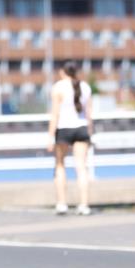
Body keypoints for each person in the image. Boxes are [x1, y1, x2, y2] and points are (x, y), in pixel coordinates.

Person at [47, 62, 93, 215]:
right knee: (81, 167)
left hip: (63, 129)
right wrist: (90, 132)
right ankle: (84, 205)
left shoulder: (58, 87)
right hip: (81, 128)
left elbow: (55, 114)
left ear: (62, 72)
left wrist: (50, 136)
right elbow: (89, 114)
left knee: (60, 165)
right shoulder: (85, 87)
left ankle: (62, 204)